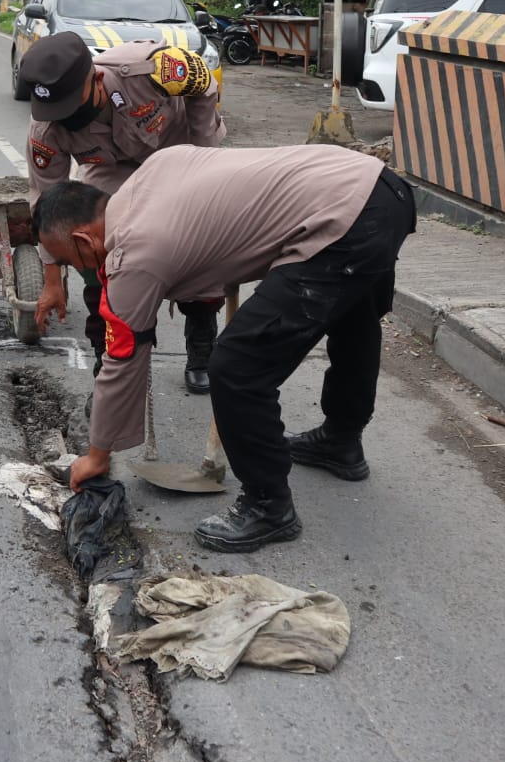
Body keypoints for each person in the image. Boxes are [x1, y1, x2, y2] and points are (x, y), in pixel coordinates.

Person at [33, 144, 416, 553]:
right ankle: (341, 442)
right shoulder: (152, 173)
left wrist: (97, 454)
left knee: (236, 366)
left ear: (83, 240)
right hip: (378, 190)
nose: (79, 269)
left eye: (71, 261)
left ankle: (268, 506)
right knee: (353, 317)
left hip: (342, 222)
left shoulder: (134, 252)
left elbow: (122, 357)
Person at [20, 32, 225, 393]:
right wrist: (53, 280)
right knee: (95, 245)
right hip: (111, 168)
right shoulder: (46, 129)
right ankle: (109, 360)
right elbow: (48, 207)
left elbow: (204, 85)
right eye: (56, 113)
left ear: (97, 80)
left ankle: (202, 341)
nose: (66, 121)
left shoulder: (151, 69)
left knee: (198, 242)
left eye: (72, 108)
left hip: (176, 150)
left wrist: (203, 157)